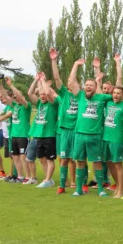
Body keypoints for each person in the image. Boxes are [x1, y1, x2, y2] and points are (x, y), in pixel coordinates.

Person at [68, 59, 113, 197]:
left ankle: (100, 189)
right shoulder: (81, 95)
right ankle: (79, 189)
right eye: (86, 85)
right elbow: (71, 82)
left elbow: (119, 95)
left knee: (97, 162)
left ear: (95, 88)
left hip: (95, 135)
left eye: (91, 85)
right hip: (80, 134)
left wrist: (97, 71)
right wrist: (75, 64)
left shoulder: (101, 98)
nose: (88, 87)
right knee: (80, 162)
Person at [50, 48, 79, 194]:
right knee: (64, 159)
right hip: (65, 131)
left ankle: (76, 183)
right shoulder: (65, 95)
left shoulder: (81, 97)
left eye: (73, 83)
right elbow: (56, 78)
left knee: (77, 159)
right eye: (69, 83)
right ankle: (62, 185)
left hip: (77, 131)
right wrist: (54, 60)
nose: (70, 84)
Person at [29, 72, 60, 188]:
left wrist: (42, 80)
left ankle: (47, 180)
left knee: (50, 159)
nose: (42, 96)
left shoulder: (53, 104)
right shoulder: (39, 104)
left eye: (44, 95)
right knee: (42, 159)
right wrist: (36, 80)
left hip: (50, 135)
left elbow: (48, 92)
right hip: (39, 135)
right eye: (40, 95)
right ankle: (49, 179)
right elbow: (30, 93)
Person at [102, 83, 123, 199]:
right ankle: (117, 186)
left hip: (117, 139)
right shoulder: (108, 103)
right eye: (114, 93)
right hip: (106, 138)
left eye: (119, 93)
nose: (116, 95)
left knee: (118, 164)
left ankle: (120, 191)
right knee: (109, 163)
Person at [5, 77, 35, 184]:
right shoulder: (14, 107)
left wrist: (11, 85)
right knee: (15, 157)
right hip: (14, 135)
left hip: (23, 135)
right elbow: (5, 97)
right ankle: (20, 176)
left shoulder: (26, 106)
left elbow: (20, 98)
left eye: (18, 97)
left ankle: (28, 176)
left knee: (24, 157)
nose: (16, 98)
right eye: (14, 97)